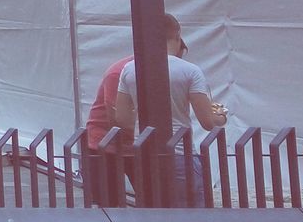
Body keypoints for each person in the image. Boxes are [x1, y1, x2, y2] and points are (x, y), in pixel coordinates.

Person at [114, 17, 227, 208]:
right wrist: (221, 116)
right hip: (180, 154)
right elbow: (207, 122)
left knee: (154, 213)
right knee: (192, 215)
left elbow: (122, 118)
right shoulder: (190, 71)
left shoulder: (129, 69)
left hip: (143, 154)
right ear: (177, 35)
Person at [83, 46, 136, 207]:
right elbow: (117, 120)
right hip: (104, 143)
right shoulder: (118, 73)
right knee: (108, 207)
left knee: (154, 201)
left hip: (136, 143)